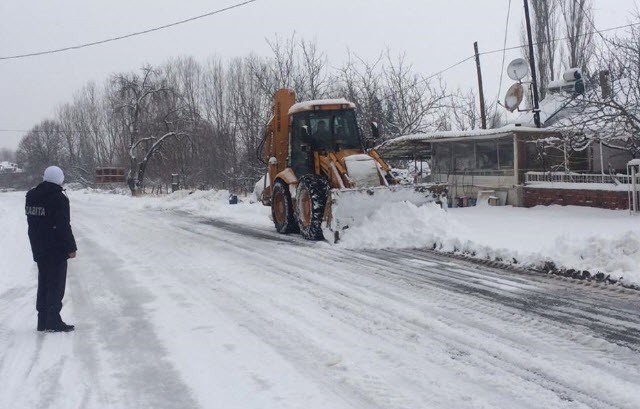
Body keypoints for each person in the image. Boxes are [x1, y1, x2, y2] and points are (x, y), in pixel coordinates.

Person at [25, 166, 77, 332]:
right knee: (55, 285)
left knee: (44, 283)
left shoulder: (31, 196)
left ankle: (42, 320)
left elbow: (33, 223)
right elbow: (63, 226)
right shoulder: (59, 198)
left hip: (38, 246)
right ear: (58, 178)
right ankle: (53, 321)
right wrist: (71, 247)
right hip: (55, 249)